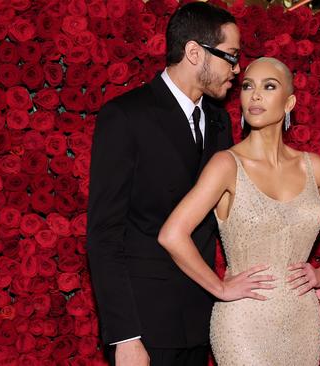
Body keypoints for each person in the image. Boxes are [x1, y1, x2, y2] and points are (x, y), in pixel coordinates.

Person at [158, 57, 320, 365]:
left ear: (289, 102)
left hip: (302, 319)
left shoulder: (313, 167)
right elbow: (172, 234)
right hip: (243, 321)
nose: (255, 95)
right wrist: (219, 287)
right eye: (247, 86)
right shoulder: (226, 165)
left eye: (269, 86)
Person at [86, 3, 243, 365]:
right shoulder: (125, 116)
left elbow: (225, 221)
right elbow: (103, 236)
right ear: (193, 52)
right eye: (230, 56)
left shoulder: (220, 122)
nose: (236, 69)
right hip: (145, 326)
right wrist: (125, 336)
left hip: (201, 319)